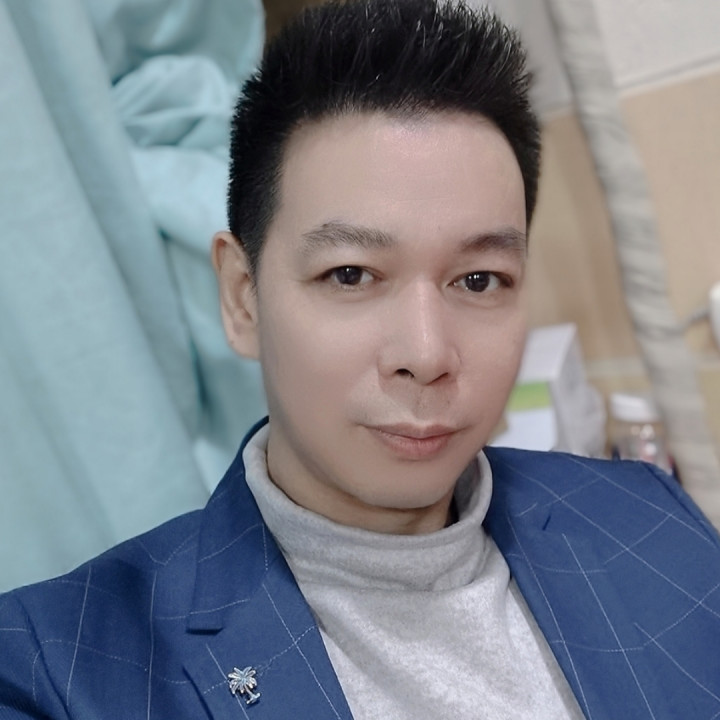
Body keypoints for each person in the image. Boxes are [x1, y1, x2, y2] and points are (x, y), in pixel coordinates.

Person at [2, 1, 720, 717]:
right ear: (243, 298)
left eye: (478, 280)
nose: (427, 355)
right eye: (350, 275)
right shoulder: (57, 668)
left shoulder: (647, 518)